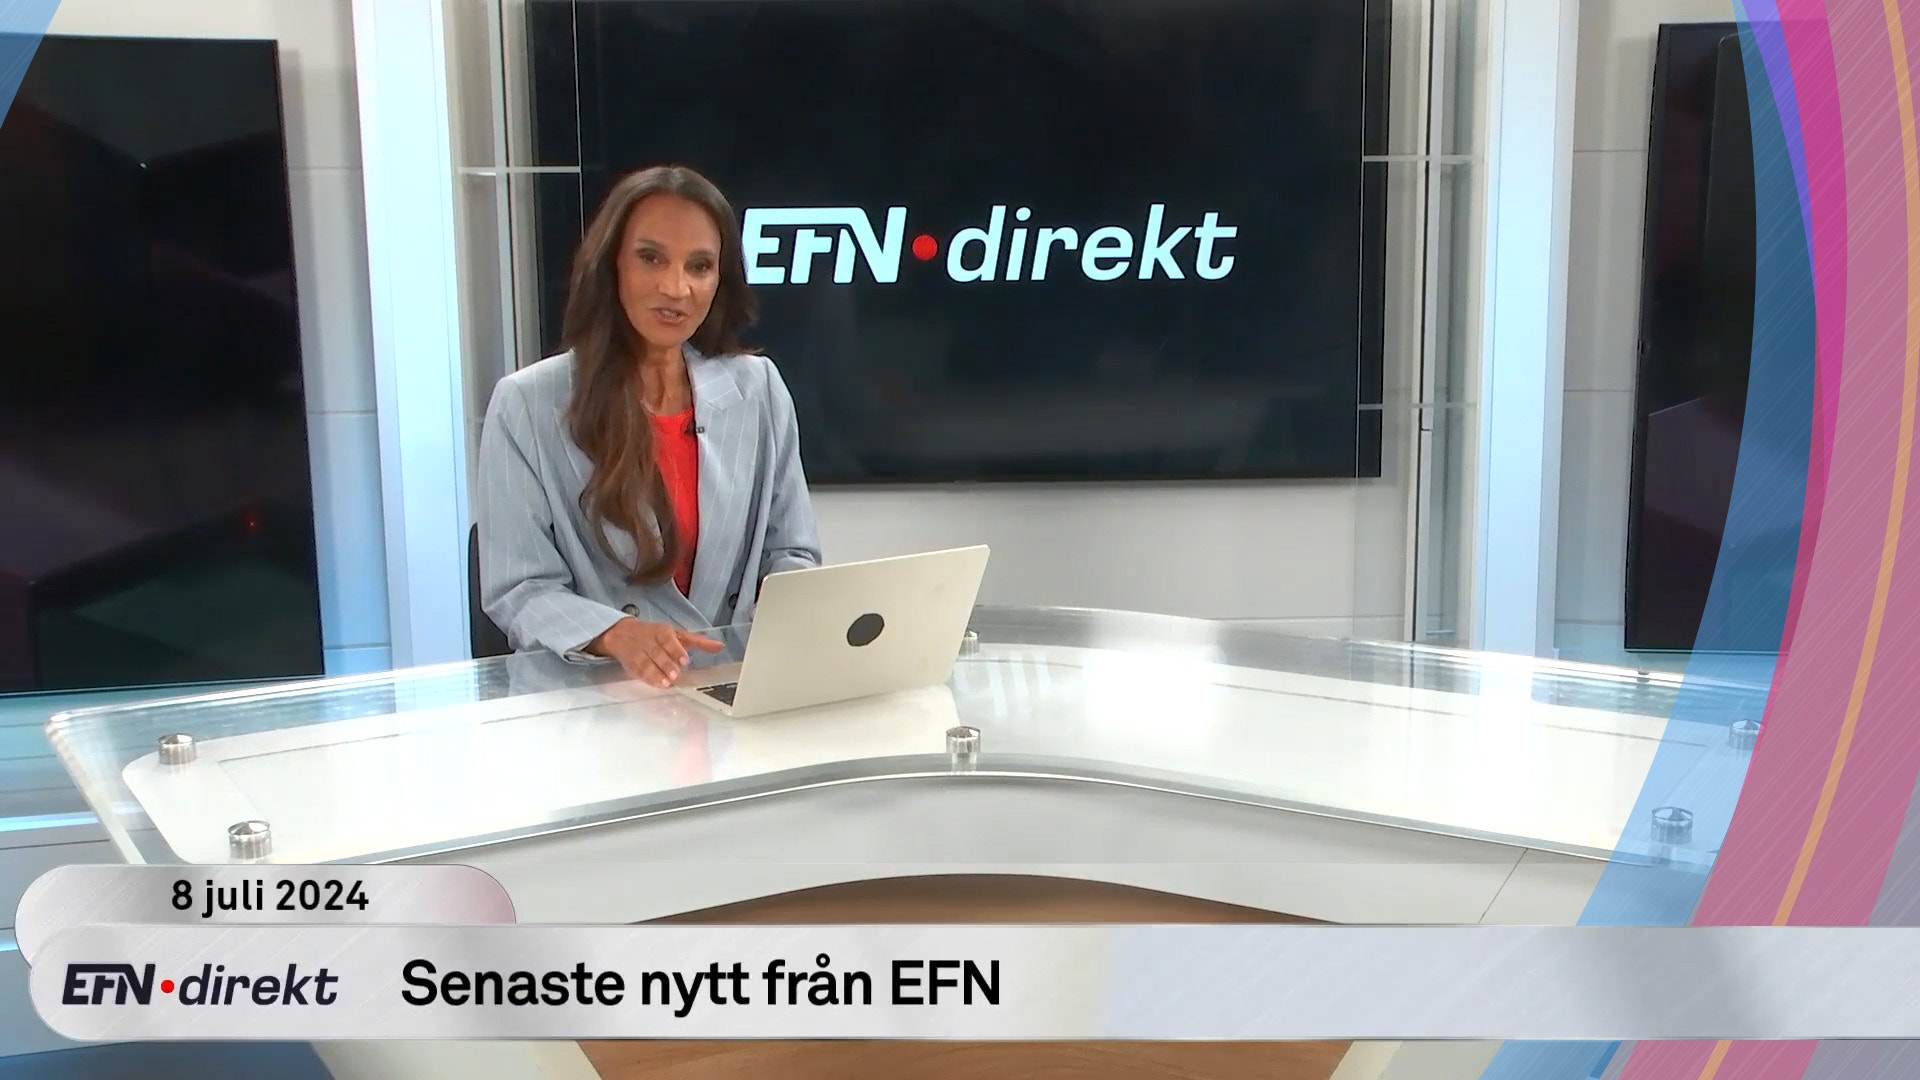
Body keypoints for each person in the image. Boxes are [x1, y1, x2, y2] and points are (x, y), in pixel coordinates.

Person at [476, 165, 822, 688]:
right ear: (611, 264)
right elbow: (519, 588)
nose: (676, 288)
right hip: (597, 698)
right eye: (651, 258)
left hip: (732, 686)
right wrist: (616, 633)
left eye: (699, 266)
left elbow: (792, 552)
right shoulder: (526, 404)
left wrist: (785, 618)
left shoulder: (759, 390)